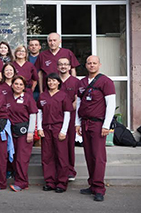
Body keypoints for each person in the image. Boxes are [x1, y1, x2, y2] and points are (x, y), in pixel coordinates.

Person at [75, 55, 116, 202]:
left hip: (98, 124)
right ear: (85, 65)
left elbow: (110, 105)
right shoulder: (82, 82)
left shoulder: (106, 82)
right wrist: (77, 123)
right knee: (89, 155)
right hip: (85, 123)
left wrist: (106, 125)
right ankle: (92, 184)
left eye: (94, 63)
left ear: (99, 64)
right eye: (89, 63)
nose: (92, 65)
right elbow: (79, 104)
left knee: (98, 157)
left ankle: (99, 188)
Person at [37, 73, 73, 193]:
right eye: (49, 81)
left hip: (58, 128)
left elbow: (67, 113)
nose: (51, 83)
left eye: (54, 81)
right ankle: (50, 182)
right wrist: (40, 128)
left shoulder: (63, 96)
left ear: (58, 82)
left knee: (62, 156)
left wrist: (64, 131)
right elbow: (39, 112)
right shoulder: (43, 96)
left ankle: (61, 183)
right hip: (46, 128)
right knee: (47, 156)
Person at [6, 76, 38, 192]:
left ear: (24, 87)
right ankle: (22, 180)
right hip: (12, 131)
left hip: (24, 132)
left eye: (21, 84)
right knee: (14, 157)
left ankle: (21, 183)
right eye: (16, 84)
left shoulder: (28, 98)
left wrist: (30, 132)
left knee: (21, 158)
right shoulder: (7, 98)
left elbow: (33, 114)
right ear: (12, 85)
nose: (18, 86)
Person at [58, 57, 81, 181]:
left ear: (69, 67)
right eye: (61, 64)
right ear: (57, 67)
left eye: (65, 64)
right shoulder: (53, 80)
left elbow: (78, 98)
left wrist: (73, 106)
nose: (63, 66)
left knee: (69, 143)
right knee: (58, 144)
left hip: (71, 116)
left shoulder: (75, 81)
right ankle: (60, 169)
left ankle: (70, 170)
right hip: (56, 117)